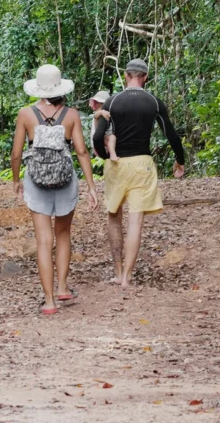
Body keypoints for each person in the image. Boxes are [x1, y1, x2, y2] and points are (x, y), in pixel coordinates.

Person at [11, 64, 98, 315]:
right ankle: (61, 287)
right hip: (65, 178)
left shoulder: (25, 114)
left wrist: (16, 179)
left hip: (36, 180)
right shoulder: (71, 115)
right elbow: (81, 151)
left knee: (43, 240)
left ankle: (49, 301)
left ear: (38, 89)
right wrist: (91, 186)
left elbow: (17, 153)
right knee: (62, 234)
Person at [92, 59, 186, 287]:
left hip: (117, 164)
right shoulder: (153, 102)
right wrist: (180, 161)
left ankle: (116, 271)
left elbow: (97, 137)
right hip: (142, 164)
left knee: (114, 216)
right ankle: (127, 276)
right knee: (135, 222)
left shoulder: (112, 101)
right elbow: (171, 134)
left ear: (126, 76)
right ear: (145, 77)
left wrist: (106, 158)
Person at [87, 90, 111, 159]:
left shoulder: (105, 114)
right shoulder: (99, 113)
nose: (95, 104)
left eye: (97, 102)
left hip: (103, 146)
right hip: (97, 146)